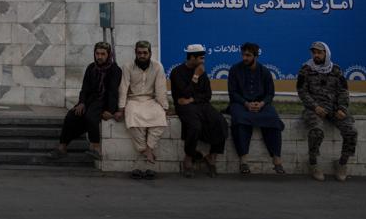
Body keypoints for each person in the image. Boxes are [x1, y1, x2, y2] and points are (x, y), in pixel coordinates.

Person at [48, 41, 121, 161]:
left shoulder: (115, 70)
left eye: (103, 54)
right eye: (97, 53)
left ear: (109, 55)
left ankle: (96, 148)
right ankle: (62, 147)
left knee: (91, 117)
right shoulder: (91, 67)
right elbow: (84, 88)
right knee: (71, 116)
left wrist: (110, 110)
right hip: (89, 100)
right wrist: (81, 102)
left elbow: (113, 92)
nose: (100, 57)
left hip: (103, 101)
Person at [297, 41, 358, 182]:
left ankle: (342, 163)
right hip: (313, 109)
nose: (316, 55)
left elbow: (343, 91)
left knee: (351, 131)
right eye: (314, 52)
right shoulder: (305, 69)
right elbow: (302, 91)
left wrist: (342, 108)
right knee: (317, 130)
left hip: (335, 109)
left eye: (319, 52)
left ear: (326, 53)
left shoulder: (336, 70)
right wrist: (315, 107)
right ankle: (313, 163)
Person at [226, 42, 285, 175]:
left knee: (273, 118)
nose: (244, 58)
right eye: (243, 55)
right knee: (239, 120)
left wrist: (262, 103)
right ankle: (244, 161)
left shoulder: (264, 71)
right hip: (240, 104)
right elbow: (233, 93)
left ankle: (277, 161)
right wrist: (246, 103)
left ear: (255, 56)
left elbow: (270, 93)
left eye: (248, 55)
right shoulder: (235, 70)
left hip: (261, 105)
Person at [170, 44, 227, 177]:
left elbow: (207, 95)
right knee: (195, 126)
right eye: (201, 58)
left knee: (220, 121)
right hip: (184, 107)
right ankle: (189, 158)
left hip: (200, 104)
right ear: (192, 57)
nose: (203, 61)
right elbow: (183, 93)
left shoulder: (201, 71)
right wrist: (195, 76)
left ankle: (211, 157)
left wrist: (192, 99)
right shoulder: (177, 72)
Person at [114, 40, 168, 179]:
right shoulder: (128, 67)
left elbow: (161, 89)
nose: (142, 56)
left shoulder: (157, 66)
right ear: (135, 53)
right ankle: (144, 150)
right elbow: (123, 88)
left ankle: (148, 148)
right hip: (133, 100)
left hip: (150, 100)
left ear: (150, 53)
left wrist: (164, 107)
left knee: (160, 120)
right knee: (132, 120)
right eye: (139, 53)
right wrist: (121, 108)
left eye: (145, 53)